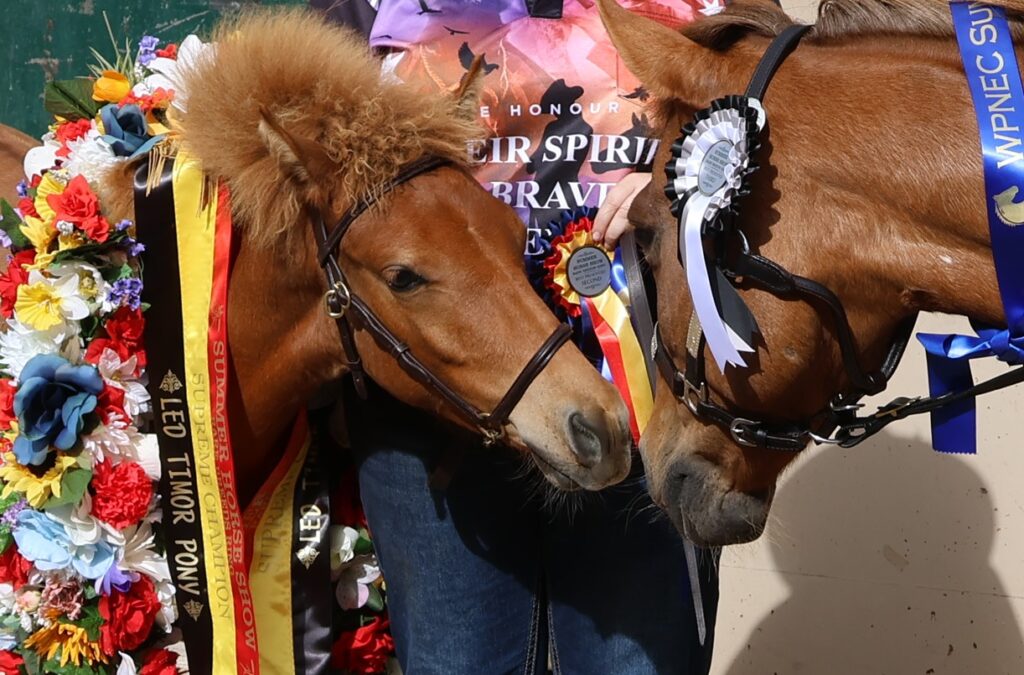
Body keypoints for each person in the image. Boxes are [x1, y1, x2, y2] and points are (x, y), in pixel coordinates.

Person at [312, 2, 719, 673]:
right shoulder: (359, 9)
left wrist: (684, 181)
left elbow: (755, 135)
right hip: (431, 422)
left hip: (640, 393)